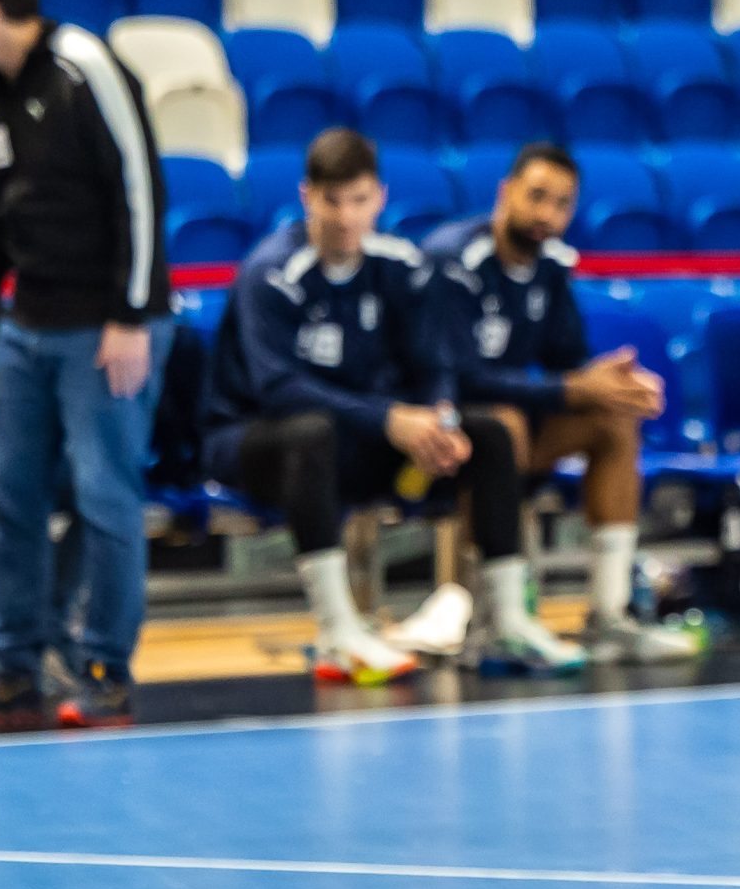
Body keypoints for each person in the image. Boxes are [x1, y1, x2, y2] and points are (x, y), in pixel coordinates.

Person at [203, 129, 587, 680]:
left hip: (357, 440)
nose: (345, 217)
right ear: (307, 197)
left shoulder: (400, 266)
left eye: (358, 200)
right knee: (310, 431)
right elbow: (278, 390)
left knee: (489, 433)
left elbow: (434, 365)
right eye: (331, 201)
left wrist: (440, 419)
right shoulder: (271, 273)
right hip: (251, 442)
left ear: (379, 199)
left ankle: (505, 621)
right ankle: (338, 631)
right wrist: (389, 420)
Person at [0, 0, 174, 728]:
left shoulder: (84, 68)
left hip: (104, 327)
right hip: (25, 324)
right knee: (9, 494)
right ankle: (12, 666)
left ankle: (105, 667)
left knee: (105, 497)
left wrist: (130, 314)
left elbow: (141, 188)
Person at [421, 144, 699, 666]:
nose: (546, 214)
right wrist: (573, 389)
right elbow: (458, 377)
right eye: (537, 196)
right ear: (505, 193)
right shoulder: (453, 261)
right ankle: (498, 621)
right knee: (501, 425)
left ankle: (610, 618)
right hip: (437, 436)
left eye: (562, 203)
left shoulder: (550, 267)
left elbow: (568, 363)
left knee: (612, 417)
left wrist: (612, 382)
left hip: (518, 428)